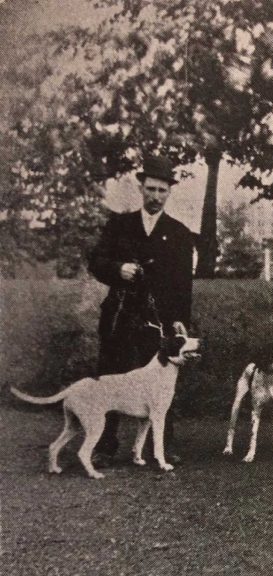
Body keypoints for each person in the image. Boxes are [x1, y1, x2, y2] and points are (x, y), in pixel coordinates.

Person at [89, 155, 195, 464]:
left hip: (158, 320)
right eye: (151, 189)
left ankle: (163, 446)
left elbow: (182, 285)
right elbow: (95, 262)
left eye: (162, 190)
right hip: (120, 315)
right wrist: (117, 269)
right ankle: (104, 446)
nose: (156, 196)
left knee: (162, 382)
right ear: (141, 187)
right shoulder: (119, 225)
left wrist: (179, 321)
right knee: (111, 378)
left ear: (169, 192)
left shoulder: (178, 233)